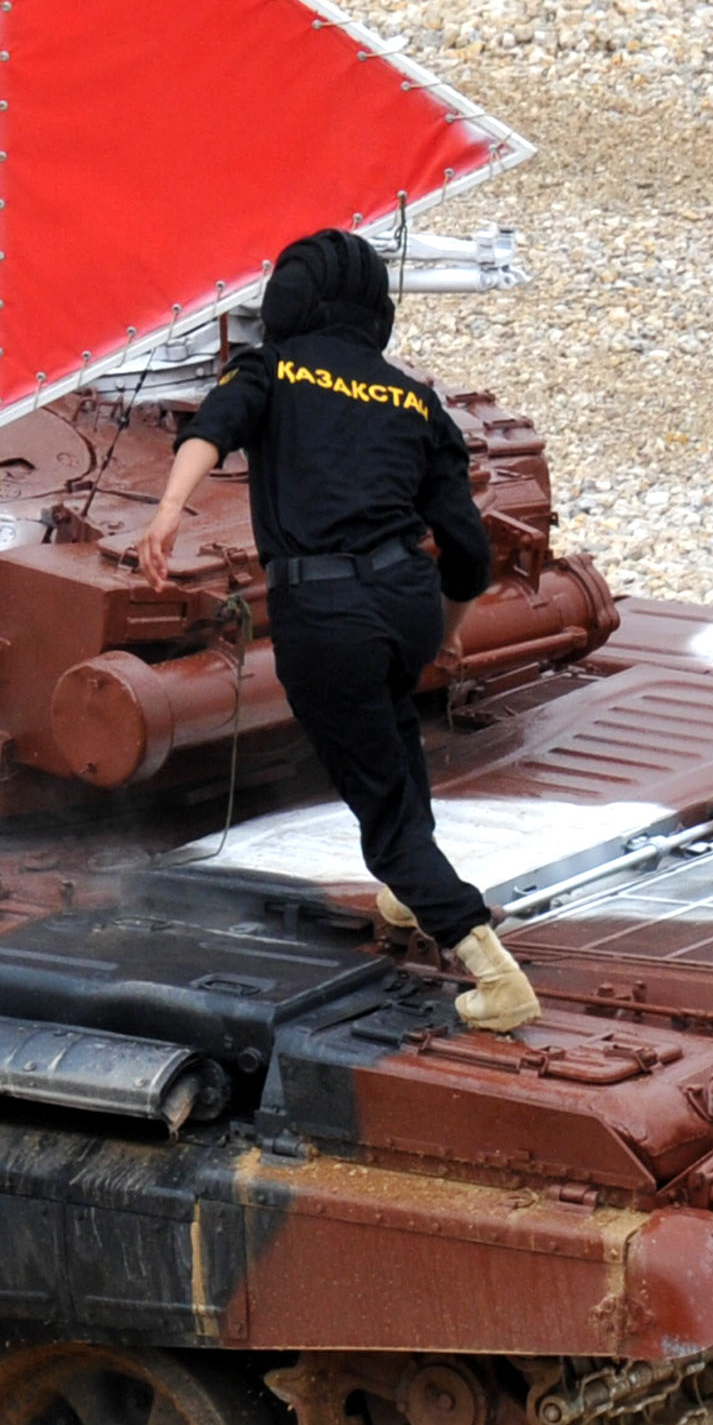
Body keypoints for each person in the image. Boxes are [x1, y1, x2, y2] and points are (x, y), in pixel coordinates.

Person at [133, 228, 540, 1036]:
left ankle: (490, 970)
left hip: (325, 613)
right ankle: (411, 891)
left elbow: (213, 427)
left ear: (287, 301)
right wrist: (446, 632)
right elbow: (465, 548)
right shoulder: (412, 398)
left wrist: (169, 511)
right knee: (391, 740)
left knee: (378, 803)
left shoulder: (271, 369)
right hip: (406, 602)